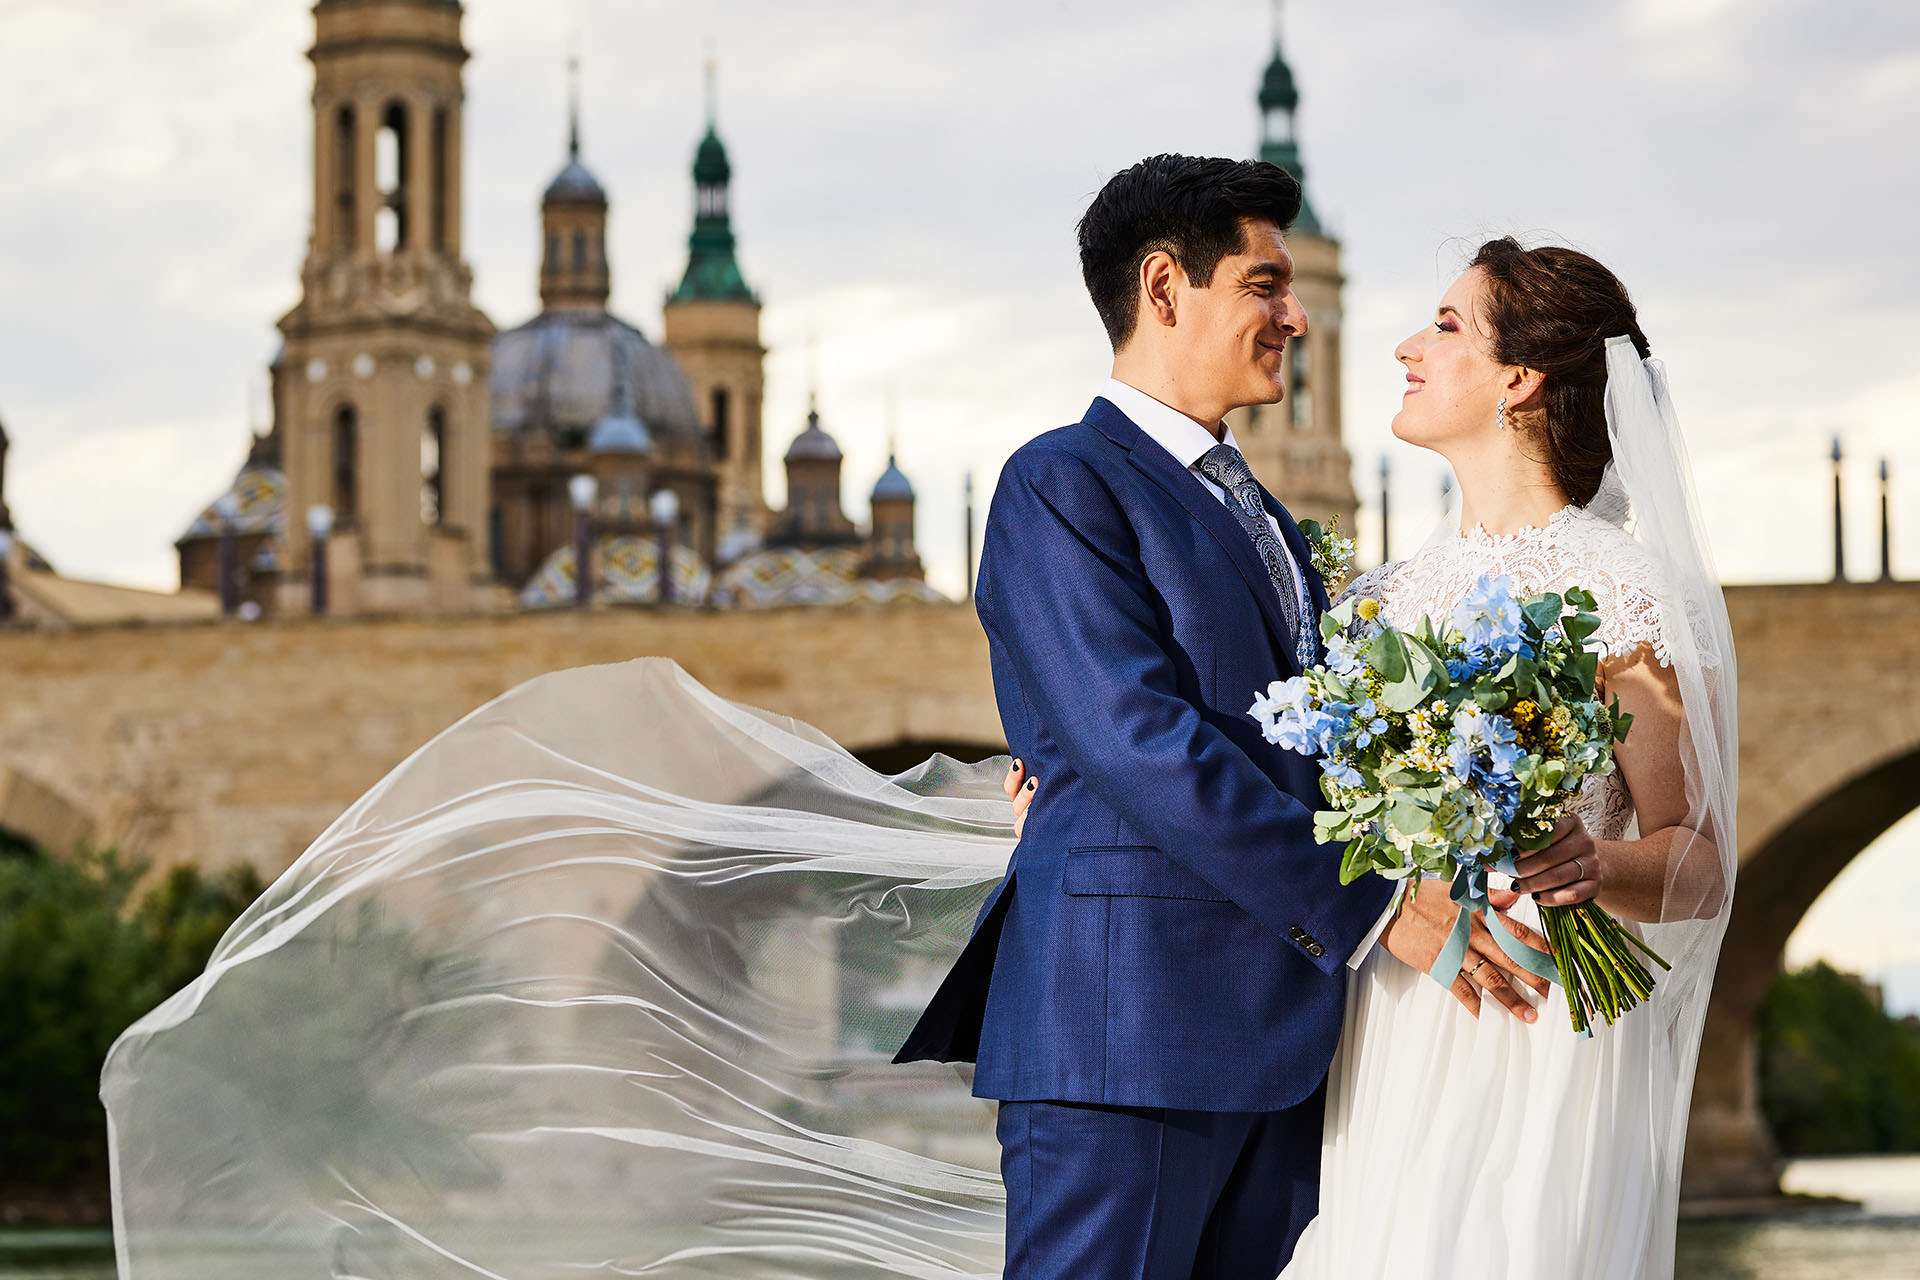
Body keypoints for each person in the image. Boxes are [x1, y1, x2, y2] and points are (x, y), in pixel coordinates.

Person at [1008, 237, 1738, 1280]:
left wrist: (1596, 864)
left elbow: (1703, 858)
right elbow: (1228, 765)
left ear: (1519, 380)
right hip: (1384, 1030)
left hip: (1534, 1032)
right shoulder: (1367, 604)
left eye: (1445, 326)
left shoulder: (1625, 600)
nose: (1405, 344)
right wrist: (1072, 789)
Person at [893, 156, 1569, 1280]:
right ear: (1164, 288)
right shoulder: (1061, 484)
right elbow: (1135, 738)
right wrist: (1378, 903)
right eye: (1266, 284)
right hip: (1128, 1037)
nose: (1295, 317)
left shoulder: (1271, 523)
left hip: (1285, 1044)